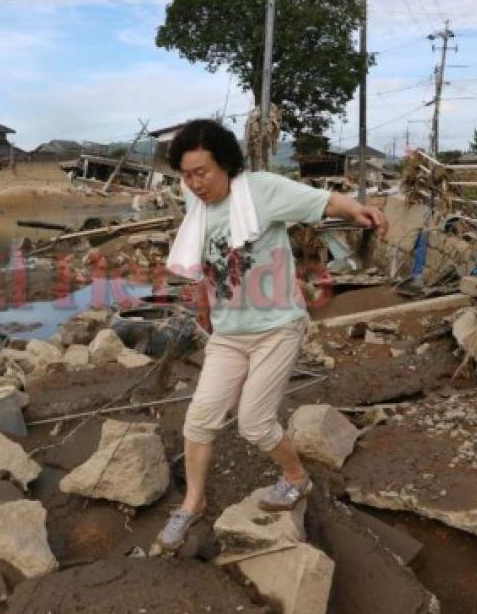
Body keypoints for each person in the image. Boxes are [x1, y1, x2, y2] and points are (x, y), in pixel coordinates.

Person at [156, 119, 387, 552]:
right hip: (229, 332)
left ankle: (296, 479)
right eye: (186, 175)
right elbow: (204, 262)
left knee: (254, 423)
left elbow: (323, 201)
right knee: (199, 420)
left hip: (276, 327)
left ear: (225, 163)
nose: (194, 183)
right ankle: (193, 503)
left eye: (201, 172)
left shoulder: (260, 190)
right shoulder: (196, 204)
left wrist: (358, 210)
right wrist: (204, 306)